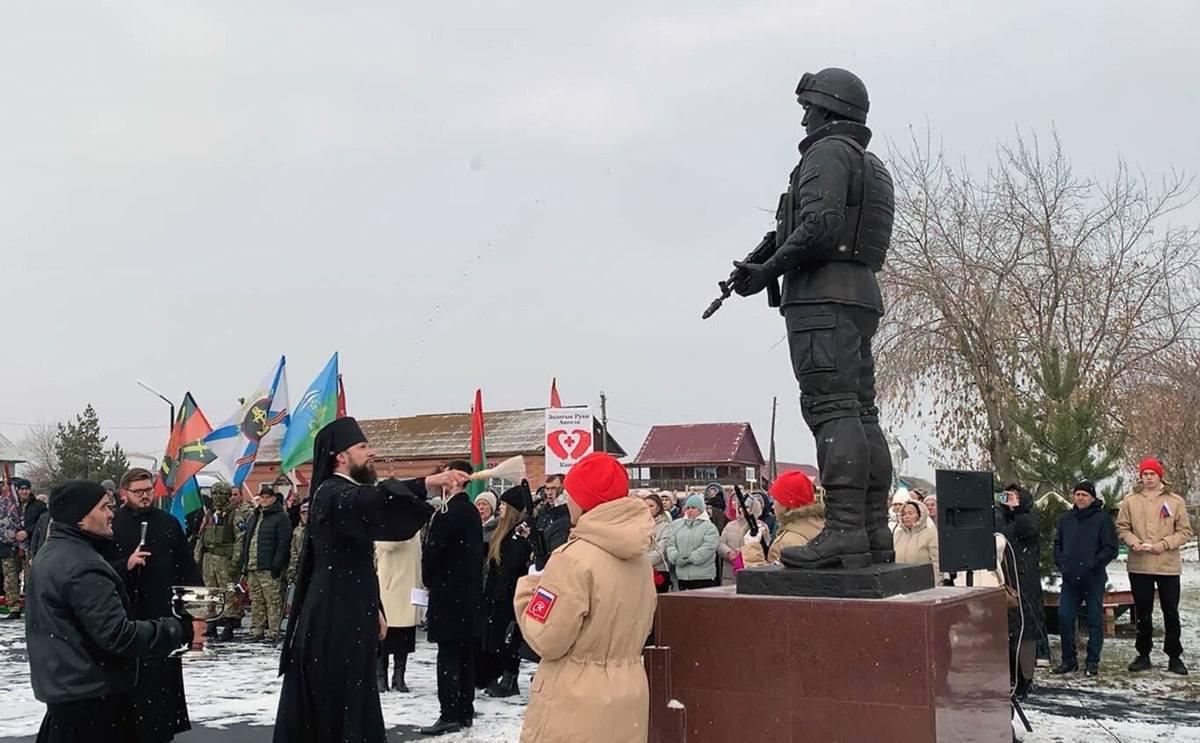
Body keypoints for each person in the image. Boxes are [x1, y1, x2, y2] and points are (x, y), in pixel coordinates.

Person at [731, 68, 894, 569]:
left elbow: (821, 226)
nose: (804, 119)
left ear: (828, 109)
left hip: (821, 299)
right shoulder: (871, 164)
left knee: (832, 410)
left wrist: (767, 271)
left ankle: (844, 530)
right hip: (857, 294)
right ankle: (871, 530)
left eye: (809, 108)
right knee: (860, 411)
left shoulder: (827, 154)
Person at [275, 418, 468, 743]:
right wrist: (427, 483)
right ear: (340, 456)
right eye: (363, 447)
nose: (371, 452)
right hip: (333, 614)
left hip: (349, 606)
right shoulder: (332, 492)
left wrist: (375, 606)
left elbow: (360, 558)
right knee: (338, 696)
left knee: (351, 692)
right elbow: (372, 501)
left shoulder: (345, 492)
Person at [25, 481, 206, 743]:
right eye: (103, 508)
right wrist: (182, 630)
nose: (111, 513)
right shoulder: (82, 565)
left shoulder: (54, 553)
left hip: (68, 694)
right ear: (81, 518)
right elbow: (117, 635)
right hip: (90, 704)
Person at [514, 452, 656, 743]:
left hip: (574, 698)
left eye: (571, 494)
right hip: (628, 693)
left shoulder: (572, 558)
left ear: (583, 500)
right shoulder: (639, 558)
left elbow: (548, 639)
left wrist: (528, 592)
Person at [106, 468, 201, 743]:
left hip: (162, 616)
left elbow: (187, 570)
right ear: (124, 493)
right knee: (126, 688)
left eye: (149, 490)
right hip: (124, 617)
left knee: (160, 688)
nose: (145, 496)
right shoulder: (112, 525)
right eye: (138, 492)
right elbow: (97, 568)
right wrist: (126, 564)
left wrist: (196, 614)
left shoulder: (168, 523)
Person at [418, 460, 485, 736]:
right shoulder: (470, 511)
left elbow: (434, 551)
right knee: (465, 655)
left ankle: (449, 713)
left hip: (449, 595)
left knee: (448, 656)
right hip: (468, 595)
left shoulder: (449, 512)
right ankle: (465, 710)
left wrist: (428, 579)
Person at [1116, 458, 1193, 675]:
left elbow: (1185, 531)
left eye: (1152, 474)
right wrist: (1133, 542)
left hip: (1167, 565)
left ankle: (1174, 655)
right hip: (1139, 565)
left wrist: (1164, 544)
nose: (1148, 478)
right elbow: (1122, 528)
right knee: (1143, 611)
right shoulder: (1130, 501)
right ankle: (1143, 654)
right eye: (1145, 474)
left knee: (1170, 611)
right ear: (1140, 476)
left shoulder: (1175, 501)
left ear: (1160, 476)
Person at [1051, 481, 1117, 677]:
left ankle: (1092, 661)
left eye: (1084, 495)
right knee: (1065, 617)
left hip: (1093, 578)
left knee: (1095, 619)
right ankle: (1068, 660)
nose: (1080, 498)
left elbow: (1110, 548)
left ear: (1092, 498)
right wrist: (1062, 564)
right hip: (1070, 578)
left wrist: (1094, 564)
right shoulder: (1066, 519)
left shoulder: (1102, 519)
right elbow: (1057, 544)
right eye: (1077, 494)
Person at [480, 482, 533, 699]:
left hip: (509, 594)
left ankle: (510, 678)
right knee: (499, 637)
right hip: (498, 594)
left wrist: (502, 594)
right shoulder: (504, 533)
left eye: (503, 505)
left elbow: (511, 566)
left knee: (508, 638)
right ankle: (502, 675)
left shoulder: (517, 534)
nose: (500, 508)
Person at [238, 484, 292, 644]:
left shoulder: (281, 518)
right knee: (256, 600)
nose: (264, 500)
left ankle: (273, 630)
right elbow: (247, 540)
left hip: (269, 566)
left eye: (267, 497)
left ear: (274, 499)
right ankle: (257, 628)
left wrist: (277, 564)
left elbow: (283, 543)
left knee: (273, 599)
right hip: (253, 565)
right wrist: (245, 563)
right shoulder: (254, 517)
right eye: (262, 497)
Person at [743, 471, 824, 567]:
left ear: (786, 503)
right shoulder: (821, 526)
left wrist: (752, 548)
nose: (773, 506)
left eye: (776, 499)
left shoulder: (787, 542)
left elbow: (767, 576)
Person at [375, 532, 422, 693]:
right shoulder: (388, 525)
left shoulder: (415, 528)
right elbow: (385, 544)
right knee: (385, 634)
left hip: (409, 587)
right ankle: (380, 676)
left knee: (405, 634)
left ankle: (399, 676)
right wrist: (404, 531)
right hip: (390, 586)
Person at [195, 482, 240, 641]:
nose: (216, 497)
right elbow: (201, 536)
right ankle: (211, 625)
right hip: (209, 560)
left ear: (227, 496)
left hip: (225, 561)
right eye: (214, 494)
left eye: (220, 494)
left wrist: (235, 561)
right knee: (210, 592)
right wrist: (197, 557)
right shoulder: (210, 514)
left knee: (229, 591)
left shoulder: (234, 514)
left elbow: (240, 539)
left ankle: (229, 625)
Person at [666, 495, 720, 590]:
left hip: (703, 577)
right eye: (688, 508)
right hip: (682, 576)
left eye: (694, 508)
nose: (690, 510)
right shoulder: (677, 525)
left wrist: (690, 558)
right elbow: (670, 543)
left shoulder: (709, 527)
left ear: (701, 509)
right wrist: (676, 557)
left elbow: (709, 547)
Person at [893, 500, 939, 582]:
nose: (906, 517)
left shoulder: (930, 533)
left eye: (910, 513)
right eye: (904, 514)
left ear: (920, 515)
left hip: (923, 582)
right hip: (900, 582)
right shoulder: (898, 534)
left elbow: (936, 562)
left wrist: (937, 582)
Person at [0, 478, 22, 618]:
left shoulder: (17, 505)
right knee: (9, 579)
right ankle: (12, 605)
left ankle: (18, 605)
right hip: (4, 545)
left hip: (19, 545)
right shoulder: (3, 504)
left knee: (15, 577)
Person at [644, 494, 673, 592]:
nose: (647, 509)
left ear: (658, 508)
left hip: (659, 570)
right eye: (645, 506)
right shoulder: (638, 525)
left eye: (651, 506)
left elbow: (661, 551)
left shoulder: (665, 526)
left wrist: (643, 561)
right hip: (640, 571)